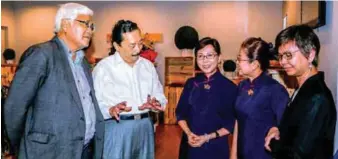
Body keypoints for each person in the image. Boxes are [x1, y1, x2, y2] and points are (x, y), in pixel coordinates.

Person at [4, 3, 104, 159]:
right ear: (65, 24)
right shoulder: (41, 55)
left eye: (92, 26)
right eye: (85, 24)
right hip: (49, 152)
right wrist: (24, 147)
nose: (90, 30)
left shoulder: (83, 62)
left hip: (83, 150)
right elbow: (14, 107)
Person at [92, 20, 167, 159]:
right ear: (117, 46)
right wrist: (110, 110)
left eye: (140, 43)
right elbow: (94, 104)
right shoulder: (103, 69)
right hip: (117, 127)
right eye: (132, 45)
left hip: (145, 127)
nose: (138, 49)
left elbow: (159, 95)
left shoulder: (148, 67)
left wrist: (156, 103)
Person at [264, 24, 336, 159]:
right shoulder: (303, 87)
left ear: (310, 55)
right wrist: (277, 129)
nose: (283, 62)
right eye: (280, 56)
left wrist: (273, 143)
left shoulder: (317, 97)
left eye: (288, 55)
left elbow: (298, 154)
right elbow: (292, 127)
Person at [175, 37, 237, 159]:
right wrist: (188, 133)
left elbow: (231, 124)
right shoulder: (191, 83)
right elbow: (180, 113)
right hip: (190, 145)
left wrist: (206, 137)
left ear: (219, 58)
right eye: (200, 56)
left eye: (210, 55)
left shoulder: (230, 88)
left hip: (215, 147)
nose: (205, 60)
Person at [230, 37, 289, 159]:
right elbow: (238, 122)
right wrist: (233, 154)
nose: (237, 62)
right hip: (242, 153)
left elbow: (285, 127)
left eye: (240, 59)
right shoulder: (242, 86)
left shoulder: (275, 90)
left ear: (255, 64)